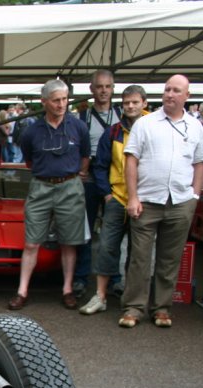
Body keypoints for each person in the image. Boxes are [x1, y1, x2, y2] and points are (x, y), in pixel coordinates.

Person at [120, 74, 203, 329]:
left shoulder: (195, 127)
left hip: (181, 201)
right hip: (147, 201)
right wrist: (133, 197)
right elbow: (131, 160)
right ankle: (134, 308)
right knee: (139, 257)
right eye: (167, 89)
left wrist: (194, 196)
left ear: (187, 96)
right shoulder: (145, 123)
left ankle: (161, 308)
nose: (170, 94)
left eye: (176, 90)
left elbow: (200, 162)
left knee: (170, 259)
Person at [9, 78, 91, 311]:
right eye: (56, 100)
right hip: (41, 186)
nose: (61, 104)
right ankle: (22, 291)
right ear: (44, 102)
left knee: (69, 242)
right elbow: (29, 161)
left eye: (64, 99)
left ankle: (67, 290)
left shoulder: (78, 127)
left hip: (70, 186)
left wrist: (75, 174)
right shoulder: (30, 131)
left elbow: (85, 157)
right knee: (32, 242)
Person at [81, 85, 148, 315]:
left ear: (144, 103)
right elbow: (100, 165)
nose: (130, 106)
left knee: (139, 252)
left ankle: (132, 298)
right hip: (118, 198)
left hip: (146, 199)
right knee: (107, 246)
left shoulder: (154, 128)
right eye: (126, 103)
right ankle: (100, 296)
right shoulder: (113, 132)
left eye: (135, 102)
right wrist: (108, 195)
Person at [74, 69, 121, 297]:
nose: (103, 91)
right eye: (99, 87)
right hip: (90, 177)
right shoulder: (82, 118)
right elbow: (74, 147)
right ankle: (81, 277)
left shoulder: (122, 114)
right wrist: (77, 170)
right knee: (86, 230)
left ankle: (115, 278)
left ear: (113, 89)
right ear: (91, 90)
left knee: (114, 231)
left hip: (116, 178)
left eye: (107, 86)